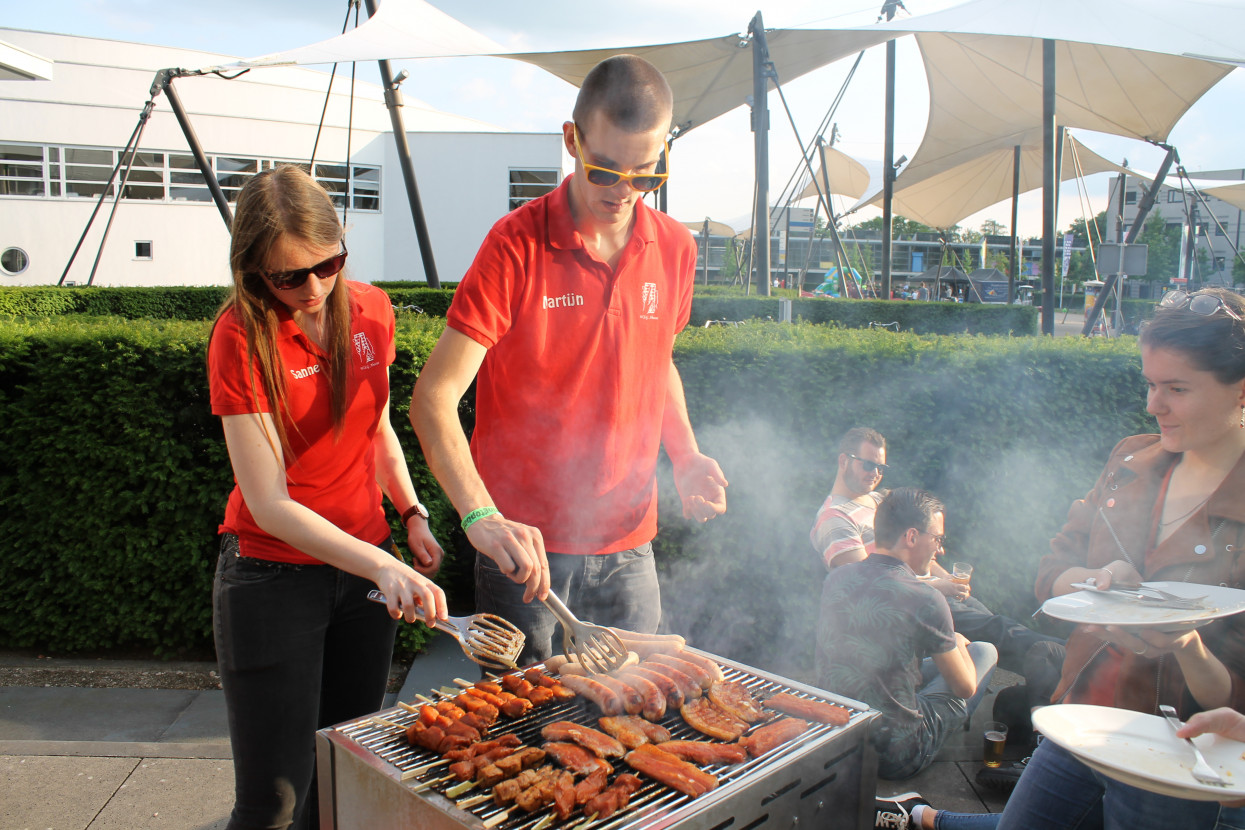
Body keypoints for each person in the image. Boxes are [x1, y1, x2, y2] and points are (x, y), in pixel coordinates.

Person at [874, 287, 1245, 829]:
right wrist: (1094, 580)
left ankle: (923, 819)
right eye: (1150, 384)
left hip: (1179, 753)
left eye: (1177, 388)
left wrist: (1185, 641)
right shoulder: (1131, 460)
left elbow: (1229, 688)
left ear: (1240, 390)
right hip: (1083, 714)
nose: (1152, 404)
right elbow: (1051, 573)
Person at [410, 55, 728, 665]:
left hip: (631, 545)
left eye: (645, 173)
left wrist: (685, 455)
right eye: (605, 170)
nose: (624, 191)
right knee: (523, 733)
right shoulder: (514, 246)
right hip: (525, 550)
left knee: (631, 719)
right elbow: (433, 399)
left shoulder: (676, 247)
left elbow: (655, 360)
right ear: (572, 139)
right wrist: (479, 515)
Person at [208, 165, 448, 830]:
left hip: (364, 576)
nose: (313, 289)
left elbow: (375, 428)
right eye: (289, 277)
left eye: (328, 264)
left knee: (344, 774)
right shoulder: (240, 335)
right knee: (274, 800)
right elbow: (268, 503)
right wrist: (380, 565)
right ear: (254, 269)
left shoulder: (372, 307)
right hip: (271, 579)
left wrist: (411, 513)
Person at [811, 427, 1064, 760]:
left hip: (848, 730)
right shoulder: (835, 519)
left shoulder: (877, 505)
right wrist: (946, 616)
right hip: (898, 751)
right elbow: (874, 589)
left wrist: (945, 579)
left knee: (990, 622)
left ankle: (1052, 671)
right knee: (985, 647)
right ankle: (1063, 664)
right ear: (844, 461)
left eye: (881, 468)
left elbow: (874, 573)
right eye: (868, 465)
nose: (876, 474)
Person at [817, 487, 998, 780]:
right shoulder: (926, 598)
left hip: (838, 736)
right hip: (896, 754)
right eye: (937, 539)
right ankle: (946, 733)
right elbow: (964, 687)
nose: (940, 549)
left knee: (918, 671)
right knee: (985, 651)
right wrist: (959, 644)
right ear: (912, 536)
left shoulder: (836, 578)